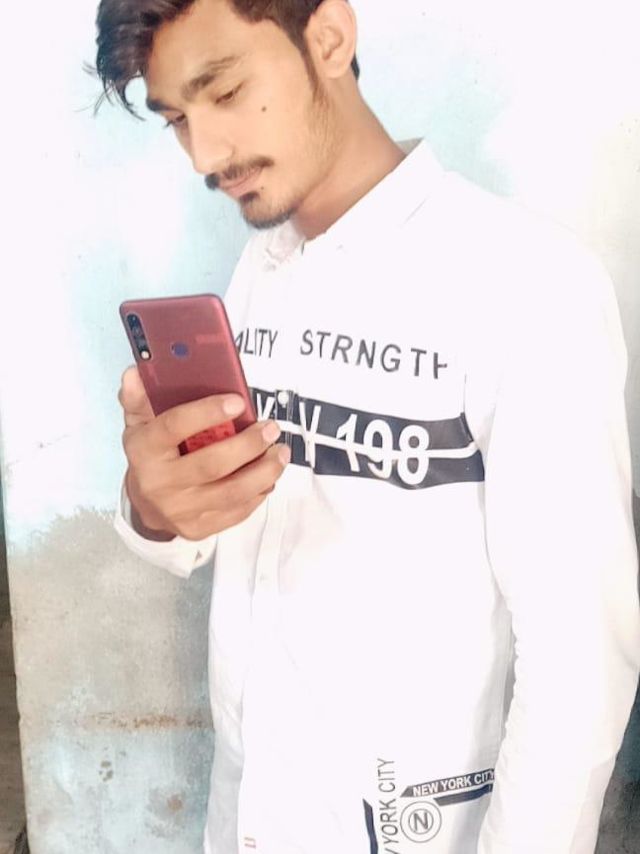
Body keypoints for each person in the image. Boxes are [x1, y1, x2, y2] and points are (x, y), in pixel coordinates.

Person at [95, 1, 640, 852]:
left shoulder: (532, 282)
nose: (204, 155)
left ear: (329, 39)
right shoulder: (262, 266)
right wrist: (153, 506)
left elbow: (581, 667)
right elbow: (212, 533)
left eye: (225, 91)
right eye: (176, 120)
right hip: (245, 820)